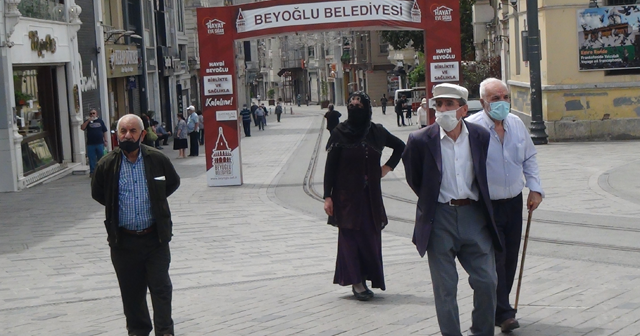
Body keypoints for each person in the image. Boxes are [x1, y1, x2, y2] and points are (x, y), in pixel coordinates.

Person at [402, 83, 503, 336]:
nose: (443, 110)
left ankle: (482, 331)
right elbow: (415, 179)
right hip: (439, 219)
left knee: (487, 281)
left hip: (473, 216)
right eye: (438, 104)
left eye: (449, 104)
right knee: (446, 288)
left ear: (464, 109)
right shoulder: (420, 140)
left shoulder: (480, 136)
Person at [465, 77, 544, 333]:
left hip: (513, 202)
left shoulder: (517, 124)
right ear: (483, 102)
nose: (502, 103)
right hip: (485, 206)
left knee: (510, 257)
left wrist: (535, 188)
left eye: (505, 97)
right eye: (495, 98)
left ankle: (499, 307)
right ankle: (503, 312)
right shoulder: (472, 128)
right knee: (494, 260)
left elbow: (529, 156)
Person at [91, 114, 180, 336]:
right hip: (124, 242)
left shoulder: (157, 159)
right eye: (123, 131)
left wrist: (157, 202)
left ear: (142, 135)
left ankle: (165, 332)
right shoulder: (107, 164)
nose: (127, 135)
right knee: (131, 294)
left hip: (154, 239)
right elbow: (99, 193)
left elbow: (172, 183)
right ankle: (139, 331)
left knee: (161, 289)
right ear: (117, 134)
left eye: (132, 131)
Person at [323, 92, 405, 301]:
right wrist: (327, 196)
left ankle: (368, 278)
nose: (354, 107)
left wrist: (386, 168)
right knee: (350, 239)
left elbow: (400, 146)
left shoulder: (376, 131)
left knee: (370, 237)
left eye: (359, 104)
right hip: (346, 197)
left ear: (367, 107)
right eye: (351, 104)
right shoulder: (339, 132)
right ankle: (356, 282)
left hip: (370, 196)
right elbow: (330, 168)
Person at [80, 108, 108, 176]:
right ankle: (92, 172)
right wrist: (87, 121)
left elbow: (104, 131)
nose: (92, 115)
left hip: (99, 143)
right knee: (91, 158)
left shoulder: (100, 121)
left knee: (101, 157)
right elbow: (82, 128)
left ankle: (101, 171)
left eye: (93, 113)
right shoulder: (87, 121)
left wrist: (106, 140)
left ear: (96, 114)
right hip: (90, 143)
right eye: (91, 113)